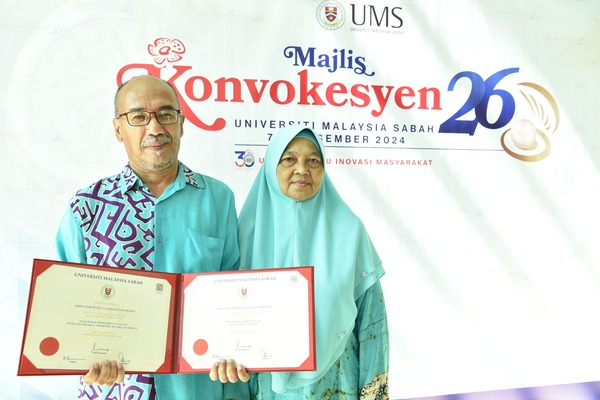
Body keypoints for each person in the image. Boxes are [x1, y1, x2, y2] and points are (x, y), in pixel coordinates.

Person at [55, 74, 249, 399]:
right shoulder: (86, 208)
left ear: (182, 123)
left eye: (166, 114)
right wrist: (85, 353)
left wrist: (239, 343)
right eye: (139, 117)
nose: (155, 128)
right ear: (118, 128)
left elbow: (234, 290)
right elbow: (62, 304)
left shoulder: (218, 198)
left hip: (198, 387)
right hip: (114, 388)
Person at [238, 125, 389, 399]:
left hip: (336, 384)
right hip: (261, 388)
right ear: (272, 166)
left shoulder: (350, 232)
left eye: (313, 160)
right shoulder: (243, 234)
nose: (302, 169)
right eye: (289, 159)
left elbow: (373, 323)